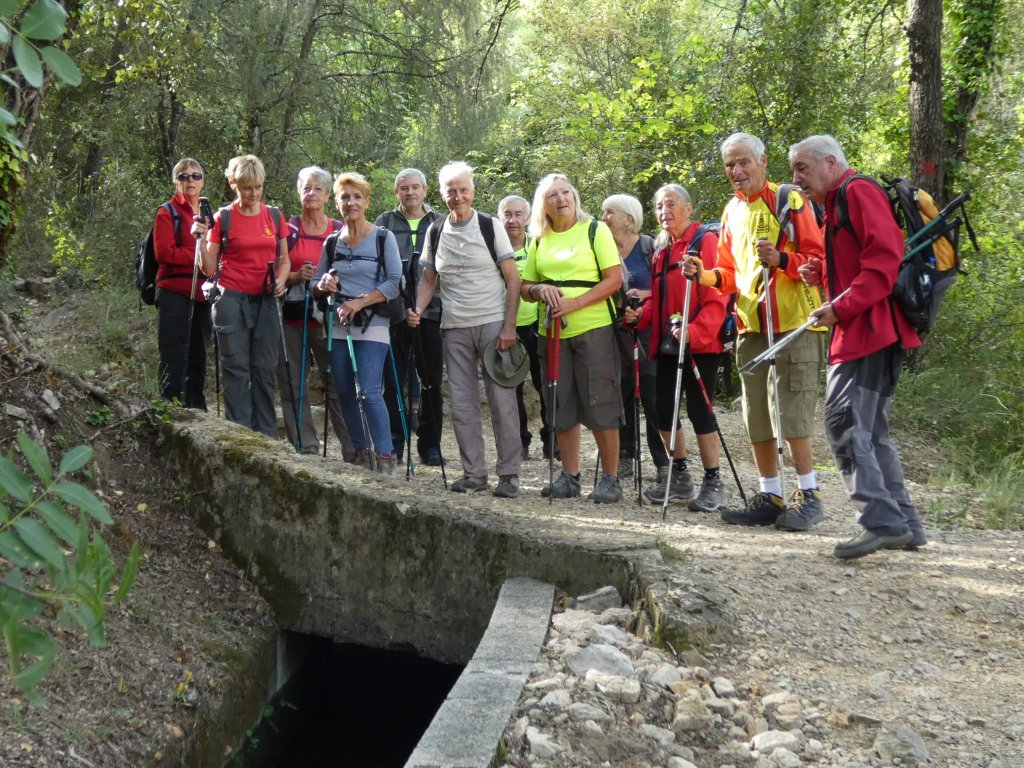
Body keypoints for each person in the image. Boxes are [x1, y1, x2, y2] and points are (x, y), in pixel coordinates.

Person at [789, 134, 928, 558]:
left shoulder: (858, 191)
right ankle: (905, 524)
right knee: (872, 431)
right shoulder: (835, 202)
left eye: (802, 169)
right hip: (868, 330)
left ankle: (881, 521)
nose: (796, 179)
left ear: (831, 163)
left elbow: (884, 263)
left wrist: (839, 305)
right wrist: (823, 273)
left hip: (868, 332)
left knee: (842, 422)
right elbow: (857, 261)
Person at [684, 132, 827, 530]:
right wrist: (703, 276)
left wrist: (782, 258)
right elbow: (729, 276)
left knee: (793, 414)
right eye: (730, 164)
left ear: (763, 162)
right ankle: (771, 494)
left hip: (794, 324)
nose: (737, 170)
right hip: (750, 326)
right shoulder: (731, 212)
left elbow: (817, 260)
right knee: (758, 416)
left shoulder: (788, 200)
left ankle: (809, 494)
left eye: (744, 162)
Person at [408, 161, 523, 497]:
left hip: (492, 324)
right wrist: (417, 308)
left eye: (463, 190)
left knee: (502, 403)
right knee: (462, 405)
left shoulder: (490, 226)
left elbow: (513, 279)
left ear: (473, 191)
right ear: (442, 194)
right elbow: (429, 279)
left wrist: (509, 325)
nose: (457, 197)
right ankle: (474, 474)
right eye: (451, 191)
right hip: (453, 327)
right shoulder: (436, 230)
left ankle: (509, 474)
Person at [625, 184, 731, 510]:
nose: (663, 212)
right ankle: (681, 476)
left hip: (701, 344)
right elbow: (659, 298)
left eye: (670, 204)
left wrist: (694, 332)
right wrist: (640, 317)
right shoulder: (662, 249)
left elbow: (718, 297)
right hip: (670, 342)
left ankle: (714, 481)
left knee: (700, 410)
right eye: (658, 206)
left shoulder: (704, 242)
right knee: (663, 409)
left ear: (689, 208)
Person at [521, 173, 624, 504]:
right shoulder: (538, 239)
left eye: (565, 192)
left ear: (575, 196)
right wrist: (539, 288)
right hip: (550, 332)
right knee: (559, 402)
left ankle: (610, 479)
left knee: (600, 401)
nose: (560, 199)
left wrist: (574, 303)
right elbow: (525, 288)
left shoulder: (595, 230)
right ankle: (570, 476)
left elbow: (614, 280)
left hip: (593, 328)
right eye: (552, 195)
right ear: (543, 204)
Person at [314, 172, 402, 475]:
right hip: (338, 324)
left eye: (356, 197)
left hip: (373, 323)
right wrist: (324, 283)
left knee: (368, 390)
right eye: (344, 197)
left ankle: (386, 457)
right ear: (337, 203)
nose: (350, 202)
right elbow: (316, 283)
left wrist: (360, 302)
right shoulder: (330, 242)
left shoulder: (382, 237)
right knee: (344, 392)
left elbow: (395, 282)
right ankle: (361, 453)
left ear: (366, 201)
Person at [201, 154, 288, 436]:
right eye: (246, 187)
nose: (253, 193)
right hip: (230, 299)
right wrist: (201, 239)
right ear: (233, 185)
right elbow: (208, 267)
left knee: (263, 369)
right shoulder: (222, 217)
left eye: (258, 187)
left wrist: (281, 280)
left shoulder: (274, 215)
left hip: (265, 299)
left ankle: (266, 435)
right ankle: (239, 434)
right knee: (236, 368)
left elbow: (284, 260)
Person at [278, 166, 355, 459]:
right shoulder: (289, 229)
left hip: (330, 319)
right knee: (292, 381)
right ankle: (305, 446)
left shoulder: (339, 230)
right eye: (306, 188)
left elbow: (354, 269)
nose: (311, 194)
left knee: (338, 381)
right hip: (292, 317)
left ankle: (352, 449)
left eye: (317, 189)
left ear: (327, 196)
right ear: (299, 193)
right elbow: (274, 273)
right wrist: (296, 276)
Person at [375, 169, 445, 466]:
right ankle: (395, 440)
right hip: (394, 315)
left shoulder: (440, 222)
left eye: (415, 187)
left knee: (430, 381)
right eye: (404, 188)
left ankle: (430, 444)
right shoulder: (384, 223)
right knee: (392, 382)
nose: (410, 193)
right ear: (396, 192)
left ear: (425, 190)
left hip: (432, 314)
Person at [600, 193, 667, 485]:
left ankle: (663, 460)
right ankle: (625, 455)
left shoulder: (649, 247)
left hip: (648, 333)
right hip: (615, 334)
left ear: (628, 218)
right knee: (620, 393)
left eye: (609, 212)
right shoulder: (602, 249)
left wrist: (646, 298)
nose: (603, 218)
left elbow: (666, 288)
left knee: (653, 395)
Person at [498, 194, 553, 462]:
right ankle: (520, 443)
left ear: (528, 218)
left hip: (537, 326)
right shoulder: (493, 249)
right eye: (507, 214)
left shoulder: (538, 245)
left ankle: (551, 440)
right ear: (499, 218)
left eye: (518, 214)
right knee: (512, 389)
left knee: (545, 385)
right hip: (506, 328)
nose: (512, 220)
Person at [154, 158, 211, 409]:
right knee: (173, 351)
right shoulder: (167, 212)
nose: (190, 181)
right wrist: (197, 254)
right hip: (173, 292)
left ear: (203, 181)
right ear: (175, 182)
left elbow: (216, 250)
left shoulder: (208, 213)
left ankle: (196, 406)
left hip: (202, 294)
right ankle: (169, 405)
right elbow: (164, 253)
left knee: (199, 353)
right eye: (184, 176)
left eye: (196, 176)